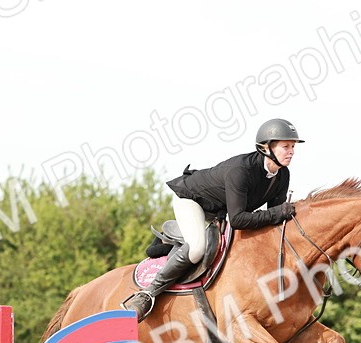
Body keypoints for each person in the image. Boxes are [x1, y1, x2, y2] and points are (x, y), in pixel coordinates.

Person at [122, 118, 304, 320]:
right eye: (286, 146)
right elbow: (238, 220)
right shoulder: (241, 171)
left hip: (220, 210)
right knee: (198, 248)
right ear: (266, 147)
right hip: (192, 200)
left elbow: (274, 222)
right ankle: (147, 294)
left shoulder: (282, 175)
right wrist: (279, 212)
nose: (292, 151)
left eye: (293, 146)